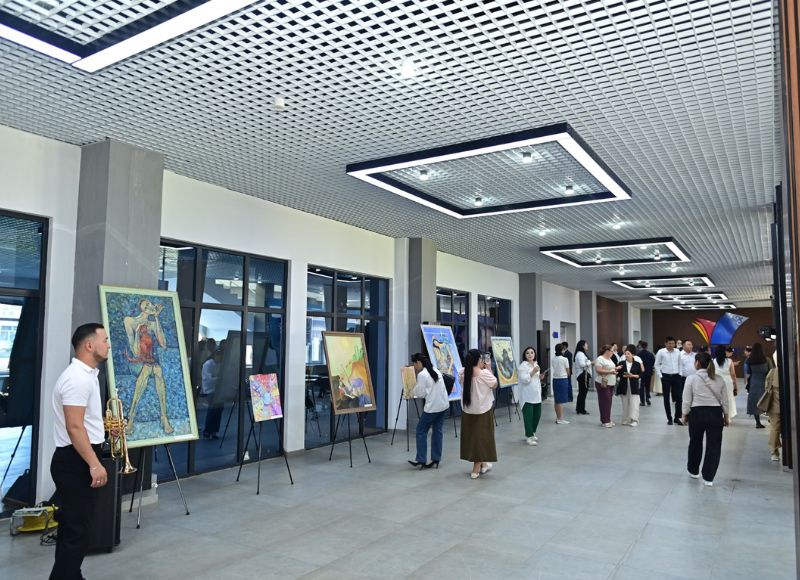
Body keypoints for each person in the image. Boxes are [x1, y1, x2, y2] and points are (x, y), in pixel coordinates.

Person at [50, 323, 111, 580]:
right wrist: (94, 464)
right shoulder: (77, 379)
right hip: (75, 460)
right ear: (89, 345)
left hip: (76, 457)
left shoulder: (86, 376)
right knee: (78, 532)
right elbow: (74, 427)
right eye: (104, 340)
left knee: (72, 530)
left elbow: (82, 422)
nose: (108, 345)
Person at [124, 299, 173, 434]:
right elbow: (135, 352)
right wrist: (137, 333)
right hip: (135, 362)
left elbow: (163, 344)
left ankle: (162, 417)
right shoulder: (130, 321)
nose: (150, 306)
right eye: (147, 305)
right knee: (150, 369)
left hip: (150, 361)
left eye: (151, 304)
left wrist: (157, 319)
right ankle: (133, 419)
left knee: (156, 370)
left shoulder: (152, 324)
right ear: (141, 308)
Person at [682, 352, 730, 487]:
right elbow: (725, 400)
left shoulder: (691, 378)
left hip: (697, 413)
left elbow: (687, 400)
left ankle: (693, 470)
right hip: (715, 414)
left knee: (695, 442)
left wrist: (684, 414)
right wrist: (726, 416)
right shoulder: (719, 379)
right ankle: (709, 477)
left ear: (697, 363)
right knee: (714, 445)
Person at [459, 348, 498, 479]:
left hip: (468, 411)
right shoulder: (484, 373)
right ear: (478, 359)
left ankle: (484, 464)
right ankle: (476, 468)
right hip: (483, 411)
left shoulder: (463, 373)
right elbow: (494, 384)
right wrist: (489, 368)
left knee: (472, 438)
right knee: (482, 438)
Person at [408, 353, 449, 469]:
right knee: (437, 431)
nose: (414, 366)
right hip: (443, 406)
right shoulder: (435, 370)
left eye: (414, 364)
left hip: (432, 408)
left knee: (420, 431)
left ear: (418, 362)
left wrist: (410, 391)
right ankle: (436, 458)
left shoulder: (422, 375)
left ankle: (421, 459)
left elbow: (421, 393)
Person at [655, 336, 682, 425]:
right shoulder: (661, 352)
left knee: (679, 398)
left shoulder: (677, 351)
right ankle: (669, 418)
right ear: (665, 344)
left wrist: (680, 373)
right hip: (666, 376)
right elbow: (657, 364)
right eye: (669, 343)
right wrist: (660, 376)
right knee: (666, 398)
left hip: (676, 376)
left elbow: (680, 363)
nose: (671, 345)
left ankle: (677, 417)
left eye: (673, 343)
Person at [518, 347, 542, 445]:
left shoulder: (536, 364)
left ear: (534, 354)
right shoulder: (523, 366)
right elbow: (525, 380)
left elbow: (535, 378)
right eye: (527, 353)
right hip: (527, 395)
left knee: (537, 415)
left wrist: (540, 376)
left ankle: (532, 432)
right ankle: (529, 436)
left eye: (532, 352)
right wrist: (533, 372)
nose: (530, 354)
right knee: (528, 417)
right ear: (525, 355)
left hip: (536, 394)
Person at [747, 343, 772, 429]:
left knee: (755, 402)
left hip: (754, 382)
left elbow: (749, 372)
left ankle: (758, 423)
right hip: (765, 382)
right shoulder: (767, 359)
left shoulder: (750, 360)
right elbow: (771, 371)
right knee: (767, 400)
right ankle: (771, 419)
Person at [594, 345, 619, 428]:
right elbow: (598, 370)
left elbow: (611, 368)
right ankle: (605, 421)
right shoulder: (600, 359)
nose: (613, 352)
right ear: (607, 351)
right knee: (604, 402)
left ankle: (608, 419)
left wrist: (616, 368)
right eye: (612, 351)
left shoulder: (609, 359)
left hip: (611, 383)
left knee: (608, 402)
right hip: (603, 383)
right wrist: (610, 372)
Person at [617, 345, 642, 427]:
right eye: (625, 354)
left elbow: (640, 375)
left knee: (634, 403)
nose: (626, 355)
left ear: (633, 354)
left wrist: (632, 375)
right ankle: (625, 419)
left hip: (634, 386)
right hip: (624, 386)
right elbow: (618, 374)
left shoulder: (637, 364)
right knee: (625, 403)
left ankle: (634, 420)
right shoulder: (621, 363)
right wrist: (624, 375)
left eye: (628, 353)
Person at [713, 346, 738, 421]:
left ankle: (718, 416)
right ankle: (727, 417)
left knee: (718, 399)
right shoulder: (729, 361)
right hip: (727, 382)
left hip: (717, 382)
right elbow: (733, 374)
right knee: (728, 399)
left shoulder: (714, 361)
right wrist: (735, 385)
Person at [764, 364, 782, 461]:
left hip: (775, 405)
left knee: (775, 428)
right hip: (789, 405)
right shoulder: (792, 370)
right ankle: (774, 450)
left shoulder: (773, 372)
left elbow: (767, 387)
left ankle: (774, 451)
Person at [551, 344, 571, 424]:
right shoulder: (565, 359)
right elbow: (568, 371)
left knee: (557, 400)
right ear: (562, 350)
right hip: (563, 380)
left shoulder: (553, 359)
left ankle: (558, 417)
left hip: (555, 380)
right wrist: (567, 375)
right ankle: (560, 419)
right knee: (560, 401)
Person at [574, 340, 592, 415]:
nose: (587, 345)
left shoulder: (581, 354)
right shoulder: (580, 354)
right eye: (586, 344)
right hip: (583, 375)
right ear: (582, 346)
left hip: (582, 375)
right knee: (583, 393)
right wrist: (590, 362)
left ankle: (579, 409)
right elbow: (582, 364)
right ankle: (581, 409)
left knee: (582, 392)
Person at [637, 341, 655, 406]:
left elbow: (637, 363)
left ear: (641, 346)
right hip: (649, 372)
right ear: (647, 346)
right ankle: (647, 398)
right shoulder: (650, 354)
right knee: (647, 386)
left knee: (641, 387)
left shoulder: (638, 354)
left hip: (641, 373)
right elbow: (653, 362)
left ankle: (642, 401)